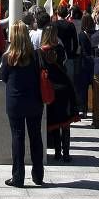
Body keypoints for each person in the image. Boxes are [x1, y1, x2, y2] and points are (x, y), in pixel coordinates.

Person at [0, 20, 44, 188]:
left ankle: (18, 176)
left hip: (15, 101)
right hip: (34, 100)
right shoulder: (36, 55)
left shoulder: (8, 57)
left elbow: (4, 77)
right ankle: (38, 175)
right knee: (36, 137)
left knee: (17, 137)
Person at [40, 23, 79, 161]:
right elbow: (64, 62)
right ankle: (66, 154)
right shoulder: (60, 49)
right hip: (64, 86)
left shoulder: (40, 51)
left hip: (50, 88)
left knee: (55, 123)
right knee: (65, 122)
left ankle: (57, 153)